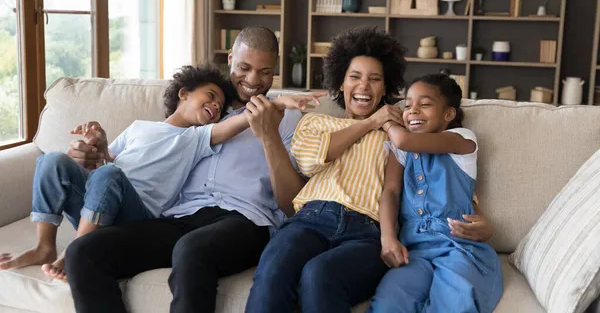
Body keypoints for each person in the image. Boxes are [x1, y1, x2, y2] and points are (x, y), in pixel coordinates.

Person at [55, 26, 316, 313]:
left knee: (191, 249)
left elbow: (293, 205)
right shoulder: (201, 108)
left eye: (265, 71)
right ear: (230, 57)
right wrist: (93, 157)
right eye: (244, 67)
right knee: (83, 252)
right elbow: (137, 164)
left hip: (245, 221)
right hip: (180, 216)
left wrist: (269, 136)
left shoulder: (290, 118)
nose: (253, 80)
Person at [0, 64, 246, 280]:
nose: (215, 105)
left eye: (220, 106)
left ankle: (77, 250)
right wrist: (100, 146)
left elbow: (232, 125)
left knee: (110, 176)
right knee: (52, 159)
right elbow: (107, 163)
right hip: (99, 206)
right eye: (211, 96)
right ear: (184, 93)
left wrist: (272, 105)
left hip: (136, 217)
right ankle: (44, 247)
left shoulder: (195, 137)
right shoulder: (139, 127)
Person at [245, 26, 409, 313]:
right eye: (354, 77)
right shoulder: (315, 123)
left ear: (385, 88)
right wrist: (370, 123)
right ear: (341, 84)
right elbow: (310, 160)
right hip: (310, 219)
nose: (364, 86)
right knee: (273, 272)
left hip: (366, 230)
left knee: (319, 275)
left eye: (375, 80)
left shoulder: (395, 133)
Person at [368, 74, 503, 313]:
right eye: (407, 105)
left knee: (455, 303)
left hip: (458, 246)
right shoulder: (401, 150)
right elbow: (391, 191)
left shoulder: (463, 139)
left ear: (448, 114)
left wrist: (387, 122)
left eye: (425, 104)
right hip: (414, 251)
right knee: (388, 303)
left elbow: (404, 140)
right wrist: (387, 237)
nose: (413, 111)